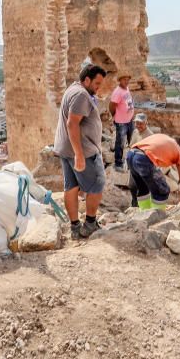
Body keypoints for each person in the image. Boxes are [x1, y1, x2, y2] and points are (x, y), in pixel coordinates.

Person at [53, 64, 107, 239]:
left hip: (65, 148)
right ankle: (90, 223)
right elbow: (72, 123)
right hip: (82, 150)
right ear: (87, 80)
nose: (99, 87)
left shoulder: (73, 89)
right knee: (97, 183)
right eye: (97, 83)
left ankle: (75, 227)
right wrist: (79, 155)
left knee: (71, 186)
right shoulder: (81, 95)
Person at [126, 133, 180, 209]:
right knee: (162, 190)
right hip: (143, 158)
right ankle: (158, 215)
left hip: (130, 154)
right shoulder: (179, 150)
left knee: (143, 189)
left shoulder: (162, 137)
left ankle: (144, 213)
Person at [109, 73, 135, 173]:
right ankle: (118, 163)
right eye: (124, 79)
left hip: (129, 120)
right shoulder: (117, 92)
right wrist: (115, 116)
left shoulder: (126, 88)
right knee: (120, 143)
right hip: (121, 122)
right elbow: (111, 106)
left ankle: (131, 161)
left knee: (131, 141)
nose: (126, 81)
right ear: (120, 80)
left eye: (128, 79)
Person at [125, 113, 153, 207]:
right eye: (136, 123)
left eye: (140, 123)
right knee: (132, 186)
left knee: (143, 189)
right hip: (134, 163)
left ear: (146, 123)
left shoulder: (150, 136)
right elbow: (131, 146)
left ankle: (142, 208)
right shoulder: (135, 132)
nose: (138, 125)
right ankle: (134, 205)